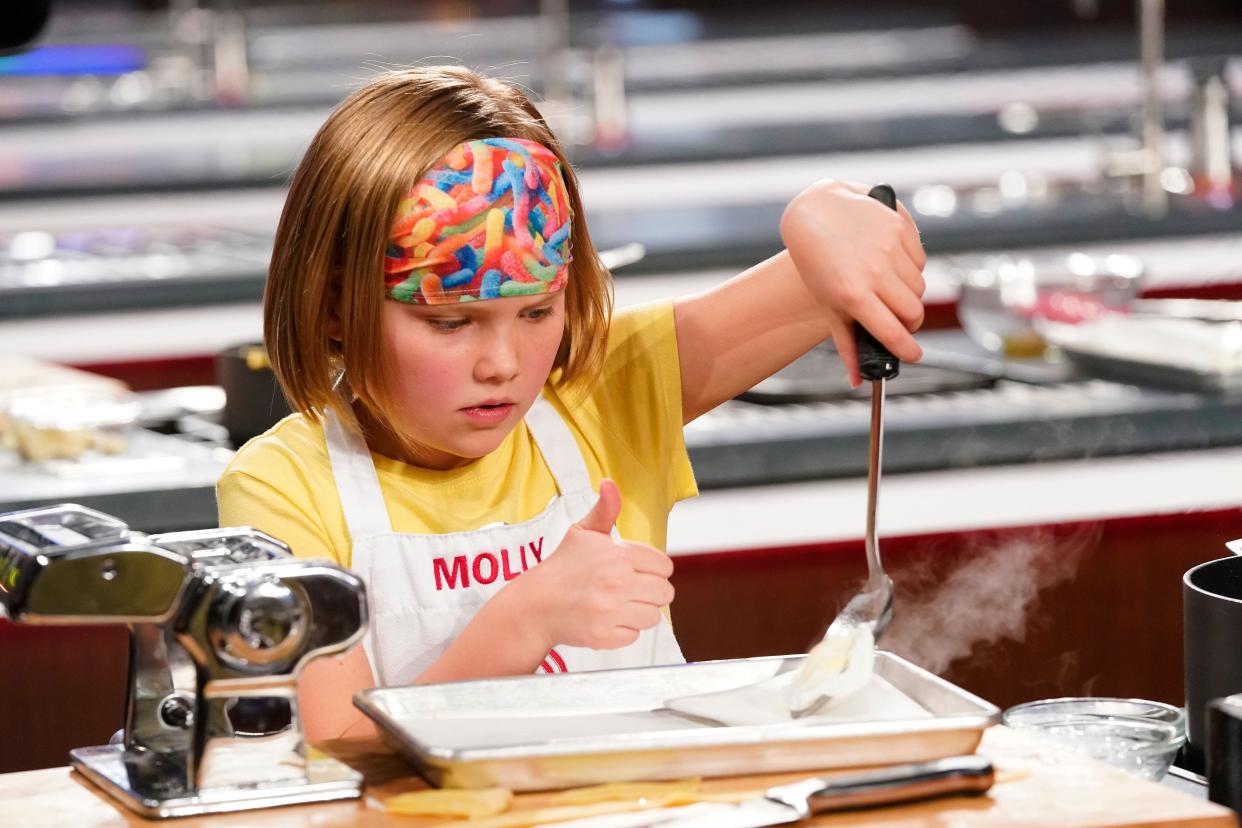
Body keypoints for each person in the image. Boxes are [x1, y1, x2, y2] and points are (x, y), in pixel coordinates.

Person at [217, 66, 926, 740]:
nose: (503, 366)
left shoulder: (604, 394)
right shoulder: (282, 490)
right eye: (450, 322)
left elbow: (844, 257)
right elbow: (338, 748)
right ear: (335, 307)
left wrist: (823, 210)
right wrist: (526, 622)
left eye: (537, 313)